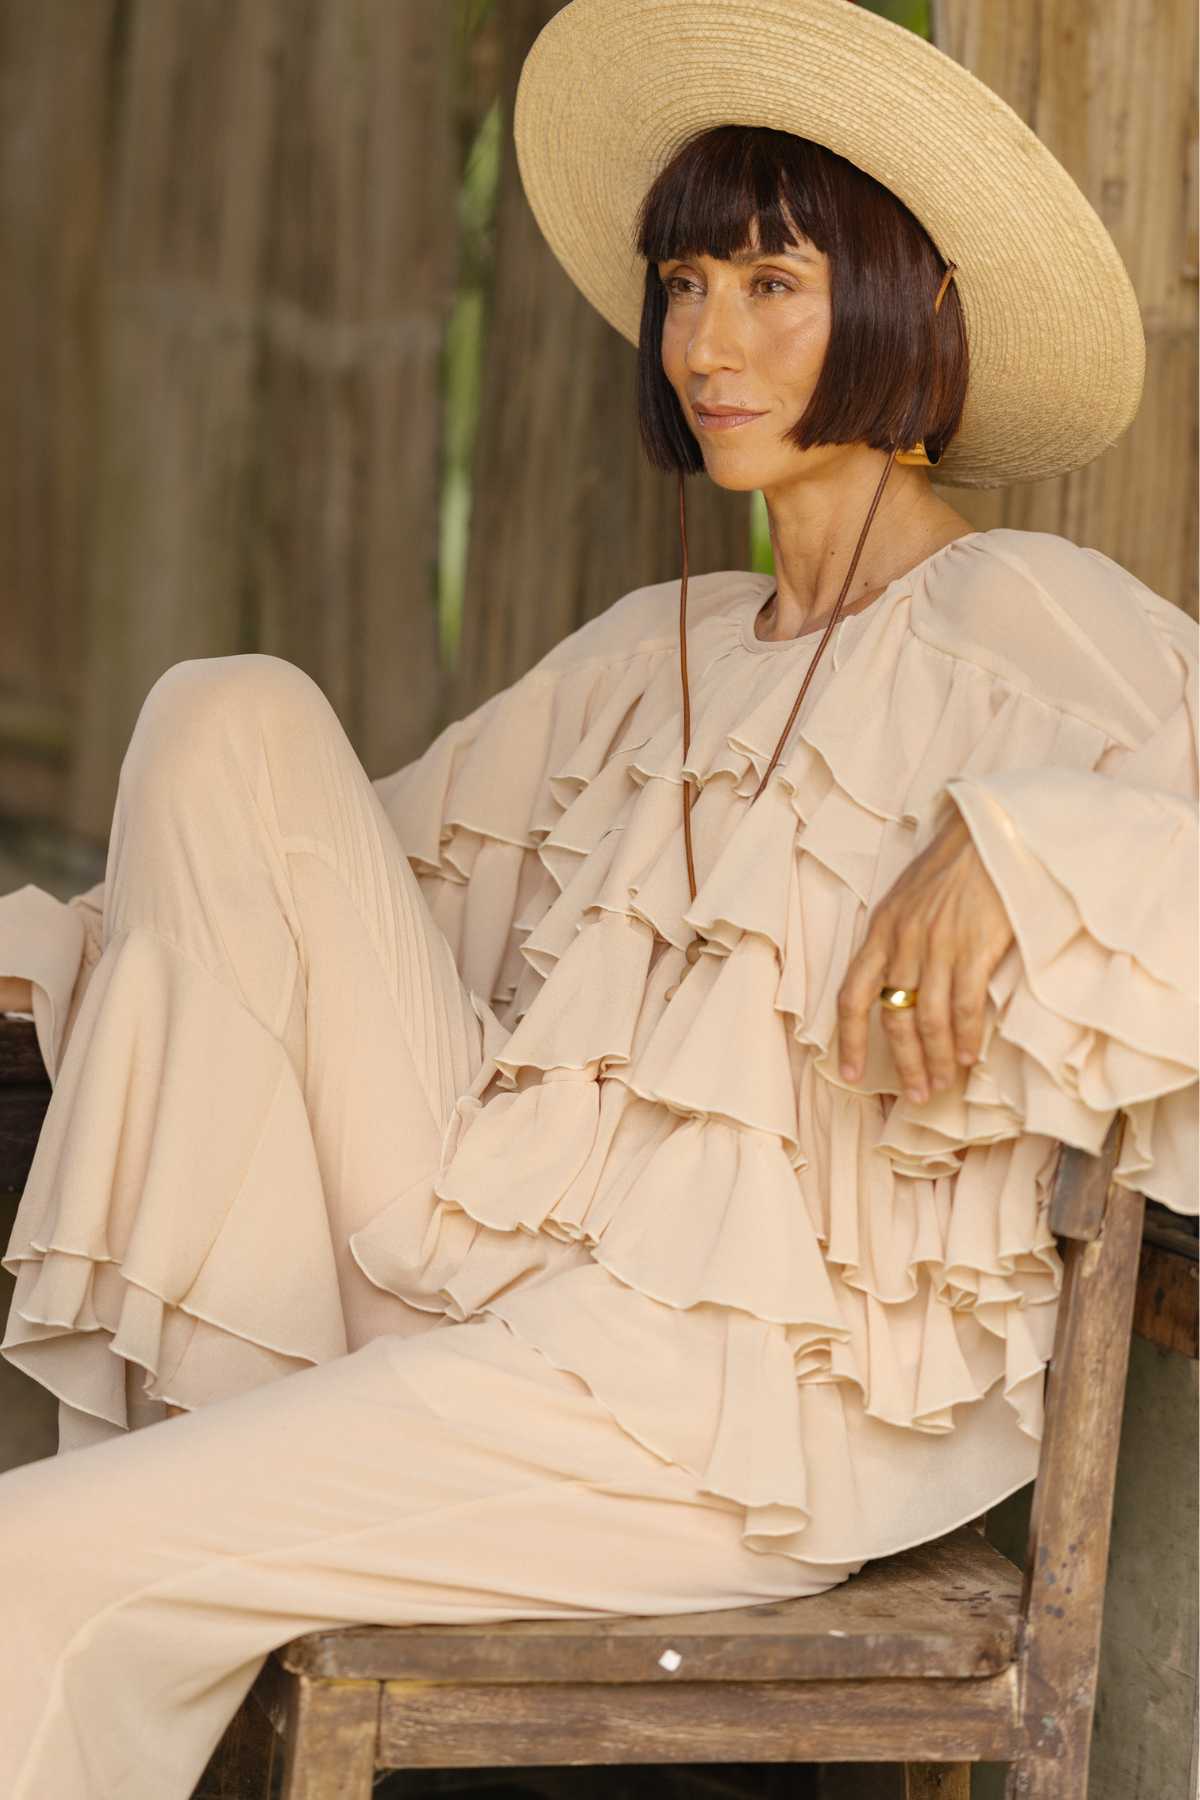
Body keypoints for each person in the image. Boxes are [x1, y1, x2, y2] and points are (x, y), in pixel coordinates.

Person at [0, 0, 1195, 1793]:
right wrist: (39, 963)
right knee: (227, 712)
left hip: (706, 1413)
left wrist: (1022, 846)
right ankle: (269, 1439)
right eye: (684, 283)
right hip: (480, 1282)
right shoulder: (659, 651)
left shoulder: (1025, 607)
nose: (709, 342)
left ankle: (230, 1480)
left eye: (772, 285)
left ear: (909, 310)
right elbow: (308, 897)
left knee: (43, 1563)